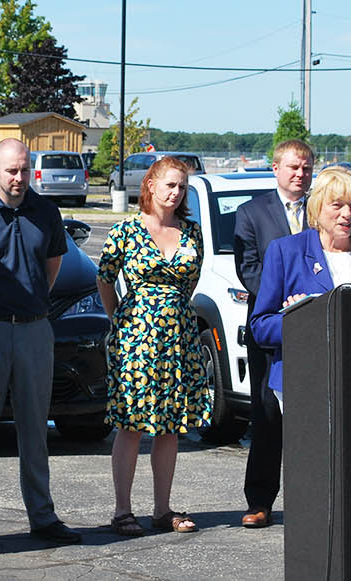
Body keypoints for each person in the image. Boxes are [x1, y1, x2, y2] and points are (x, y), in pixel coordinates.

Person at [0, 138, 81, 550]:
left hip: (34, 329)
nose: (19, 178)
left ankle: (42, 516)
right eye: (11, 170)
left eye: (25, 169)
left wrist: (32, 304)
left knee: (34, 428)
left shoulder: (46, 211)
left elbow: (52, 266)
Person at [96, 156, 212, 537]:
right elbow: (106, 279)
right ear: (150, 186)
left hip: (179, 336)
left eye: (181, 187)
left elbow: (190, 283)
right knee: (131, 424)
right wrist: (119, 319)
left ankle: (163, 510)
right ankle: (122, 510)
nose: (176, 193)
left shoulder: (191, 233)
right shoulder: (126, 230)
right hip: (135, 337)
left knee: (171, 426)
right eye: (170, 185)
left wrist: (173, 310)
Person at [249, 167, 351, 402]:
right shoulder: (286, 251)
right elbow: (261, 327)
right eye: (337, 205)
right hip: (306, 381)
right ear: (317, 206)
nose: (347, 214)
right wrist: (301, 319)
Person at [232, 138, 312, 528]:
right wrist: (285, 300)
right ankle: (260, 502)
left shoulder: (321, 209)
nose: (300, 174)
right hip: (271, 328)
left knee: (313, 420)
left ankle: (311, 499)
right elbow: (247, 268)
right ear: (276, 169)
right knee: (267, 418)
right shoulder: (251, 212)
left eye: (307, 168)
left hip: (317, 328)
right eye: (294, 167)